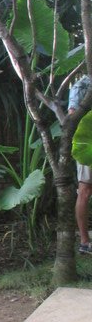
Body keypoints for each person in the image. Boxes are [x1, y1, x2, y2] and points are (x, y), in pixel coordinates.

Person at [68, 75, 92, 254]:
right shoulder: (82, 85)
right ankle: (85, 242)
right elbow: (72, 115)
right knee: (85, 190)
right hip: (88, 142)